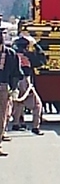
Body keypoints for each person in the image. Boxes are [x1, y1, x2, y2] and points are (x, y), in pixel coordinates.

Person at [12, 36, 45, 135]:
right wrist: (36, 45)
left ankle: (16, 123)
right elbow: (41, 61)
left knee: (18, 103)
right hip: (25, 80)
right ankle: (35, 127)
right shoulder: (28, 55)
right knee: (37, 105)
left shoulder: (12, 54)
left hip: (13, 81)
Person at [0, 28, 24, 156]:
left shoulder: (10, 53)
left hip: (4, 87)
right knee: (1, 117)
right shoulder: (10, 54)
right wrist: (13, 88)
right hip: (3, 87)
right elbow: (17, 74)